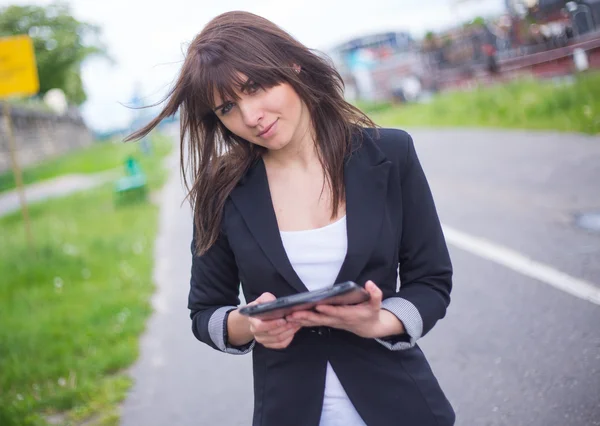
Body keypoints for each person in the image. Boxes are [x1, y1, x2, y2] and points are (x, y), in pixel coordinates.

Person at [127, 11, 455, 426]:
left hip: (401, 407)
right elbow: (205, 312)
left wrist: (379, 321)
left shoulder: (390, 153)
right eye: (228, 106)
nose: (249, 116)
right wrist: (249, 326)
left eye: (256, 87)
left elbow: (431, 280)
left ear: (292, 66)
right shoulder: (222, 190)